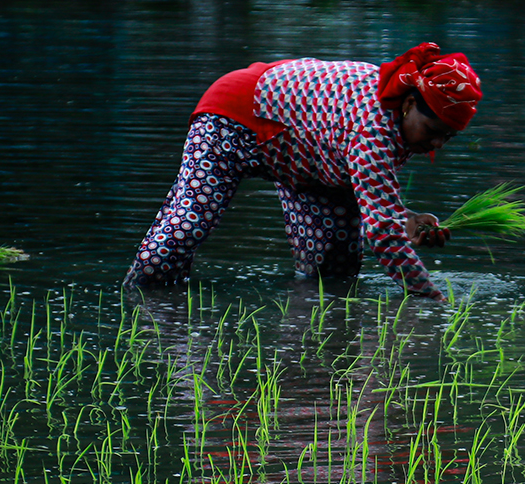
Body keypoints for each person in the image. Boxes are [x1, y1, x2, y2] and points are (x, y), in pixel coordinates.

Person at [122, 42, 482, 301]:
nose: (436, 146)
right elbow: (383, 235)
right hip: (234, 119)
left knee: (334, 268)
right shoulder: (373, 129)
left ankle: (309, 355)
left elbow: (376, 205)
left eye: (447, 138)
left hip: (307, 155)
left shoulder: (396, 129)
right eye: (433, 132)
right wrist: (433, 301)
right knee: (184, 230)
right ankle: (140, 308)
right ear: (407, 104)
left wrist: (405, 218)